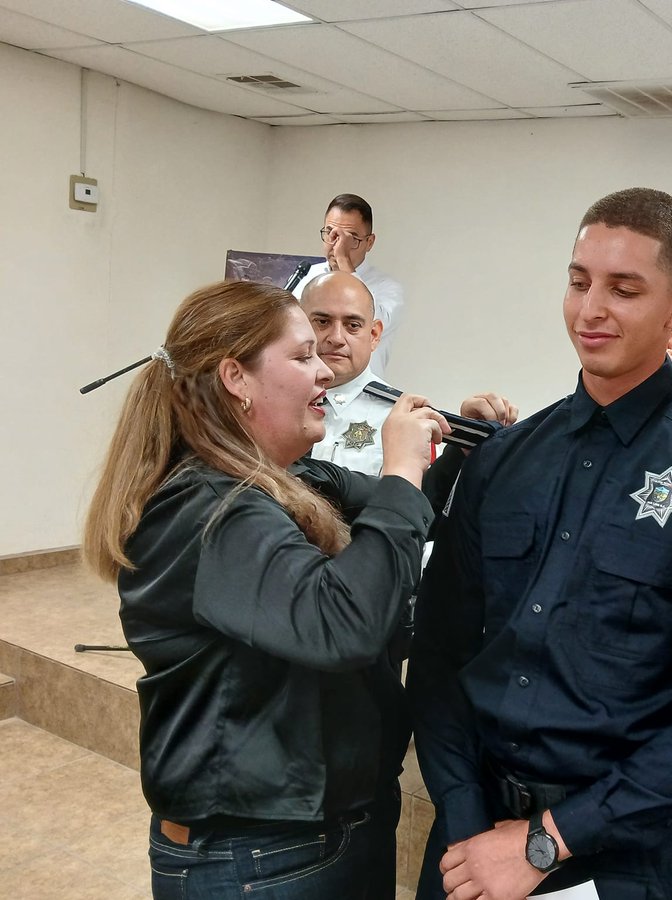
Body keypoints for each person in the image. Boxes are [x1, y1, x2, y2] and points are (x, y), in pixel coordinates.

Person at [407, 188, 672, 900]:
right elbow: (439, 652)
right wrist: (466, 820)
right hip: (471, 840)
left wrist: (544, 843)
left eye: (624, 289)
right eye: (579, 281)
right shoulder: (505, 459)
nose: (590, 310)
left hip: (616, 852)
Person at [83, 280, 450, 899]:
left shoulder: (289, 479)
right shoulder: (209, 509)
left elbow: (411, 513)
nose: (324, 372)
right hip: (260, 858)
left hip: (314, 834)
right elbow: (343, 623)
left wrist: (459, 450)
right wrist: (402, 470)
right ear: (237, 377)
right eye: (303, 355)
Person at [299, 271, 518, 476]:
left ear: (374, 335)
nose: (336, 338)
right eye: (322, 322)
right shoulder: (270, 407)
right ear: (298, 326)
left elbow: (423, 505)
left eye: (353, 325)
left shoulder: (404, 418)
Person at [292, 193, 404, 373]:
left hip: (361, 395)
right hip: (308, 388)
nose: (337, 245)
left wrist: (344, 262)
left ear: (369, 242)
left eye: (351, 238)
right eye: (331, 233)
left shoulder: (387, 288)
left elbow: (375, 318)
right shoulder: (307, 275)